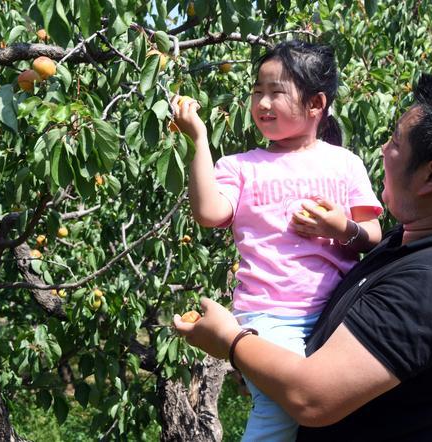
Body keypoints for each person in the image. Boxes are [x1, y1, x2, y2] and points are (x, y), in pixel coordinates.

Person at [174, 74, 432, 441]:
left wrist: (232, 341)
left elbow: (312, 398)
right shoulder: (426, 239)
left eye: (396, 144)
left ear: (430, 177)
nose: (384, 150)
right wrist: (269, 365)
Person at [172, 40, 383, 441]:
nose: (262, 103)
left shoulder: (345, 163)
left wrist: (340, 229)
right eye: (257, 92)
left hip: (340, 309)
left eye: (275, 92)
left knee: (342, 407)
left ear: (316, 104)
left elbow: (373, 237)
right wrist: (198, 140)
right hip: (271, 314)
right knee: (279, 411)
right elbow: (209, 213)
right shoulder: (241, 166)